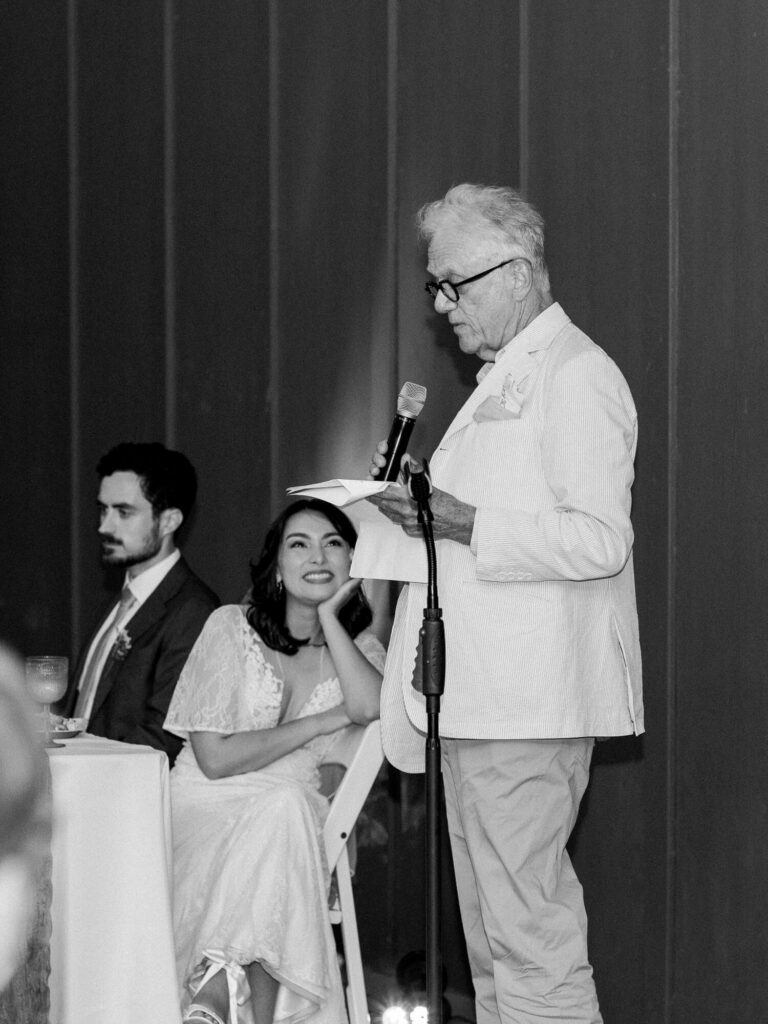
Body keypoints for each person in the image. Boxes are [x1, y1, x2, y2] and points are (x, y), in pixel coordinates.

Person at [362, 183, 643, 1024]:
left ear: (518, 272)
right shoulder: (503, 380)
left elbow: (599, 540)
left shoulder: (577, 374)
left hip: (527, 703)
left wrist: (460, 517)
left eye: (456, 283)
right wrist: (405, 513)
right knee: (493, 948)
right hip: (480, 700)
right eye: (434, 288)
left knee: (530, 941)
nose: (443, 306)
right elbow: (467, 537)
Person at [164, 497, 385, 1024]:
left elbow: (370, 707)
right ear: (277, 567)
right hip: (203, 805)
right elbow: (214, 760)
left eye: (334, 544)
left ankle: (215, 991)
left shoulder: (365, 653)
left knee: (283, 808)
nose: (318, 556)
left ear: (353, 565)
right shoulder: (229, 628)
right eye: (299, 544)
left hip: (288, 813)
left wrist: (332, 617)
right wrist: (319, 722)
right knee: (282, 811)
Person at [59, 442, 219, 764]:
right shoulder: (120, 597)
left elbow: (165, 736)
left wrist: (79, 771)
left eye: (124, 512)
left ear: (170, 520)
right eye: (103, 509)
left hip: (123, 794)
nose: (104, 526)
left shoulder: (195, 611)